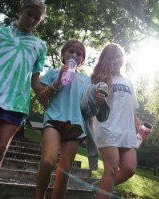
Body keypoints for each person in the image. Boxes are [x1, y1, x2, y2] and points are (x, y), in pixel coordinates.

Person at [0, 0, 47, 198]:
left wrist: (51, 92)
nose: (32, 20)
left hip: (16, 100)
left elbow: (35, 82)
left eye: (37, 18)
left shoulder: (39, 46)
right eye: (29, 14)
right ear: (21, 11)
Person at [35, 39, 109, 199]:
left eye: (79, 53)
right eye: (71, 51)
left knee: (65, 172)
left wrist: (98, 100)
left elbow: (89, 108)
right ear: (63, 55)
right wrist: (57, 81)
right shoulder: (53, 73)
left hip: (75, 125)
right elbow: (41, 100)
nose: (74, 55)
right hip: (53, 120)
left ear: (82, 60)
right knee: (48, 162)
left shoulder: (86, 81)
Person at [91, 43, 148, 199]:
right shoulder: (98, 79)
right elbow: (90, 105)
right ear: (105, 59)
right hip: (107, 128)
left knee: (129, 169)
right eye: (113, 57)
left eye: (119, 56)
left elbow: (131, 110)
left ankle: (100, 186)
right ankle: (104, 188)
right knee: (111, 169)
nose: (117, 60)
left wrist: (140, 127)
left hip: (127, 132)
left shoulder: (129, 82)